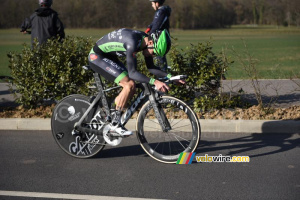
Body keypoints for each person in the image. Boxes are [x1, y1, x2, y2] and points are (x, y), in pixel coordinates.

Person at [88, 28, 185, 136]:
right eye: (153, 53)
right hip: (97, 57)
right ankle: (114, 125)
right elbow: (133, 73)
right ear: (151, 42)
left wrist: (171, 77)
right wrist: (155, 82)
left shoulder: (146, 41)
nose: (151, 56)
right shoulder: (132, 42)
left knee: (132, 88)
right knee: (129, 85)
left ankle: (112, 112)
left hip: (110, 56)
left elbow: (151, 67)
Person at [145, 0, 172, 72]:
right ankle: (163, 74)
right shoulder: (162, 11)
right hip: (162, 39)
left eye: (152, 3)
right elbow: (155, 23)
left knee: (159, 59)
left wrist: (150, 35)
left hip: (159, 39)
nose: (152, 5)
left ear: (157, 3)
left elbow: (156, 25)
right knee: (159, 58)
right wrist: (149, 27)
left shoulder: (161, 12)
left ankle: (163, 76)